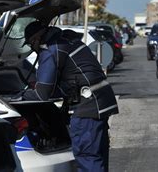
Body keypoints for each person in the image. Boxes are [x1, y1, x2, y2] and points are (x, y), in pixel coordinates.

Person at [20, 21, 119, 171]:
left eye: (30, 44)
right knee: (98, 155)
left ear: (36, 39)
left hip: (87, 107)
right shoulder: (66, 40)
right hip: (101, 100)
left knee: (87, 156)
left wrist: (20, 95)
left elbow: (42, 93)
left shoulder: (51, 49)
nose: (32, 48)